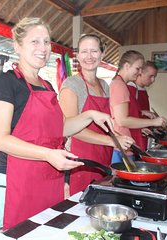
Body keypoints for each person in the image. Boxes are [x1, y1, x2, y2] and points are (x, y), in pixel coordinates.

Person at [0, 17, 115, 231]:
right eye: (35, 41)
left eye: (46, 42)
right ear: (17, 46)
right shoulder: (5, 83)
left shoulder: (46, 85)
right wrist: (47, 154)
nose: (43, 48)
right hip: (15, 184)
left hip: (47, 181)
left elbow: (61, 128)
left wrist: (91, 114)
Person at [59, 34, 134, 196]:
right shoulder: (72, 85)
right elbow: (71, 129)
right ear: (77, 55)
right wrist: (112, 140)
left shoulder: (105, 85)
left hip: (102, 160)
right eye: (84, 51)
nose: (89, 56)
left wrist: (120, 136)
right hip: (79, 163)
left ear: (102, 54)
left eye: (94, 51)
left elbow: (106, 123)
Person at [109, 50, 167, 163]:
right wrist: (153, 122)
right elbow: (122, 121)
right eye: (137, 68)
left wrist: (141, 128)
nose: (140, 72)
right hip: (120, 149)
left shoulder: (121, 84)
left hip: (124, 146)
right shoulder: (119, 86)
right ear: (126, 66)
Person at [127, 60, 159, 151]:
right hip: (135, 134)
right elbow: (128, 113)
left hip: (144, 132)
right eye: (151, 76)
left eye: (154, 77)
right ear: (140, 73)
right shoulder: (131, 88)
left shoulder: (143, 90)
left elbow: (141, 110)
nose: (153, 80)